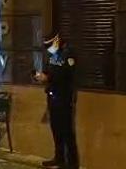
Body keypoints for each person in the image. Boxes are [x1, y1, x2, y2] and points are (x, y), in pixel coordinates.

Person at [33, 31, 79, 169]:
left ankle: (71, 163)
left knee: (66, 131)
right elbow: (49, 70)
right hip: (52, 96)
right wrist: (42, 76)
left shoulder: (68, 54)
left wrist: (50, 78)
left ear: (57, 41)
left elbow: (68, 74)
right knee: (56, 129)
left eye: (50, 44)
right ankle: (59, 158)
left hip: (64, 97)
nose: (48, 48)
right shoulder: (52, 55)